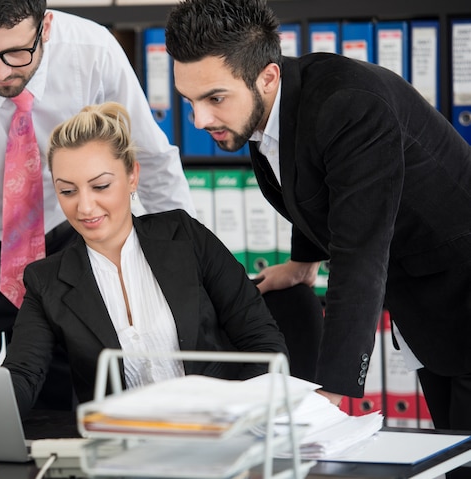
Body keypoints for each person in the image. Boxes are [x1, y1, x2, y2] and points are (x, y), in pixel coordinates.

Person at [165, 0, 471, 437]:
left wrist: (331, 392)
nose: (199, 119)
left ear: (267, 76)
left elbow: (359, 254)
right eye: (189, 100)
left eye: (214, 98)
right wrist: (302, 263)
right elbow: (312, 185)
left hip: (459, 288)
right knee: (451, 450)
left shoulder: (349, 105)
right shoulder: (266, 106)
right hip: (428, 308)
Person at [0, 0, 195, 409]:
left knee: (66, 403)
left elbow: (151, 160)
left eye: (16, 52)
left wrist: (181, 280)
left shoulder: (93, 51)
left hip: (60, 247)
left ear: (45, 27)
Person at [2, 101, 289, 415]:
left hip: (220, 431)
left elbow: (262, 343)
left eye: (100, 186)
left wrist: (238, 418)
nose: (84, 207)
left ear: (132, 176)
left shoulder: (185, 236)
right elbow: (23, 377)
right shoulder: (47, 281)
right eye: (67, 191)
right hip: (122, 447)